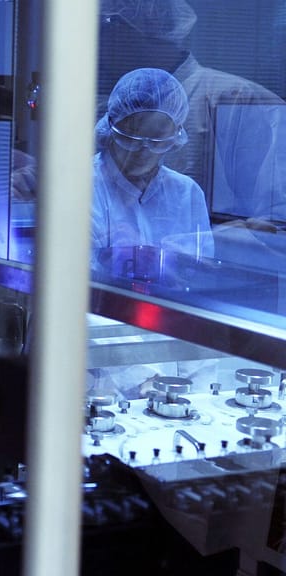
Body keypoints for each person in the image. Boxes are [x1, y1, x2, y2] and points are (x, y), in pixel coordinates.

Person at [89, 68, 217, 400]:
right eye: (132, 134)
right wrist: (143, 376)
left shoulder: (186, 194)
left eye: (157, 137)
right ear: (112, 126)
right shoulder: (84, 186)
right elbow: (75, 297)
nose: (143, 149)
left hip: (172, 356)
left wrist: (200, 389)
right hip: (100, 365)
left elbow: (198, 291)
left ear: (176, 136)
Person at [99, 0, 286, 222]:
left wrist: (194, 236)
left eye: (106, 24)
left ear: (148, 23)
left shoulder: (237, 100)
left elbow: (271, 224)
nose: (97, 40)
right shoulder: (101, 105)